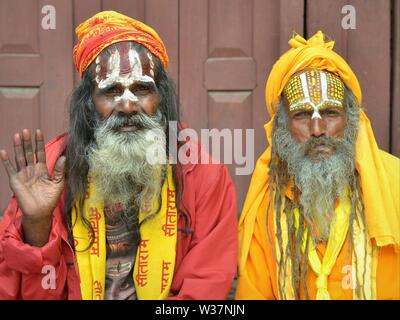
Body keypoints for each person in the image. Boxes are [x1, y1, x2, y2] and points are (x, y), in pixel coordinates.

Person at [0, 11, 237, 300]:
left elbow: (205, 287)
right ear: (88, 104)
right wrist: (36, 226)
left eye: (141, 89)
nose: (127, 106)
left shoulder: (203, 175)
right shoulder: (49, 173)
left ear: (161, 99)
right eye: (111, 91)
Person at [235, 31, 399, 300]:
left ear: (352, 120)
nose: (318, 129)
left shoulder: (395, 184)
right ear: (282, 128)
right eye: (301, 115)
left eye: (330, 113)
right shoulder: (266, 203)